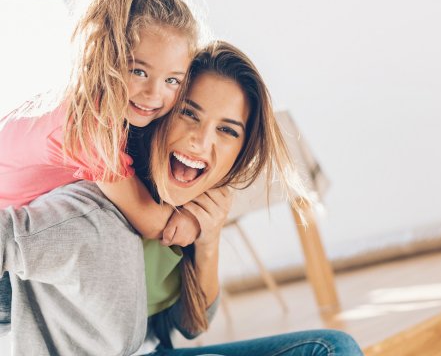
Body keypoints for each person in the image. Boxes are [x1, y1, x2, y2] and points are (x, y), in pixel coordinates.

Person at [0, 41, 363, 356]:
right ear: (160, 114)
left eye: (226, 130)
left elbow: (191, 325)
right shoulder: (91, 210)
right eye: (189, 114)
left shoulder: (186, 210)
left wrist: (208, 241)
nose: (201, 142)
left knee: (333, 349)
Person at [0, 0, 212, 336]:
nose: (153, 94)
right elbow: (149, 223)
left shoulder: (83, 104)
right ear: (106, 55)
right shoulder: (92, 124)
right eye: (138, 71)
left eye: (172, 80)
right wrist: (201, 219)